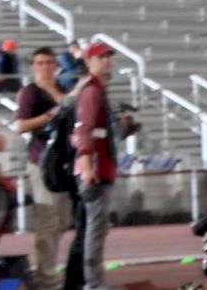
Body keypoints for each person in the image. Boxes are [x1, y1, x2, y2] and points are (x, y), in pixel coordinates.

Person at [66, 42, 118, 290]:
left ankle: (89, 281)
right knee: (95, 229)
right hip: (94, 170)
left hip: (98, 167)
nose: (107, 60)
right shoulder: (92, 91)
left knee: (94, 227)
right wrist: (87, 166)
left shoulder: (97, 90)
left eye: (109, 56)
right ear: (89, 61)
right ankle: (94, 283)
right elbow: (83, 130)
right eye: (101, 57)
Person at [14, 47, 65, 290]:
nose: (45, 67)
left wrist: (57, 96)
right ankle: (44, 276)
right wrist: (47, 116)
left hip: (63, 163)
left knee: (62, 220)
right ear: (33, 67)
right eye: (40, 63)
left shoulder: (62, 90)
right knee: (48, 219)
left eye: (49, 63)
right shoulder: (29, 93)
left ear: (56, 65)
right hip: (41, 162)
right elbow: (20, 126)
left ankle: (49, 269)